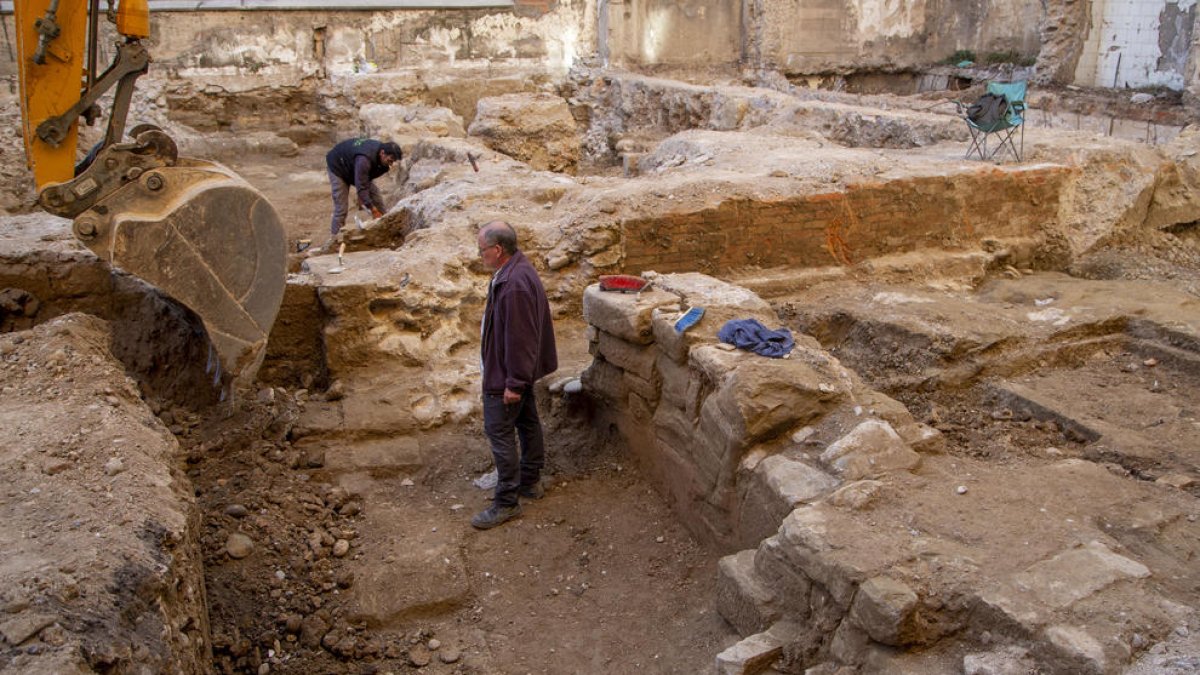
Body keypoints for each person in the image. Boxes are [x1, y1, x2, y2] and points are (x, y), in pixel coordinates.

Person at [472, 220, 558, 530]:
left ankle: (506, 501)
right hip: (514, 372)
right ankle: (530, 481)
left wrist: (514, 383)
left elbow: (520, 339)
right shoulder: (516, 270)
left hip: (506, 375)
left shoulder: (514, 285)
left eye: (482, 250)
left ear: (497, 250)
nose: (479, 255)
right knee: (527, 421)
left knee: (500, 433)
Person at [325, 137, 402, 241]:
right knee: (341, 208)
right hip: (338, 167)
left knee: (377, 198)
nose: (391, 164)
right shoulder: (364, 159)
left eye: (393, 161)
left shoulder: (381, 160)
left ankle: (386, 229)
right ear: (382, 153)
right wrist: (371, 208)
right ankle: (335, 240)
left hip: (355, 168)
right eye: (390, 160)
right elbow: (361, 186)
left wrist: (364, 198)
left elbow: (364, 181)